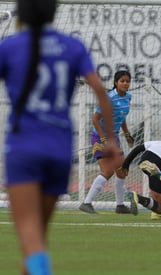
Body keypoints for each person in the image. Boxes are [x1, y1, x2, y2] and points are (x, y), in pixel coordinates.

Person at [0, 0, 118, 273]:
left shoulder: (10, 46)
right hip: (59, 148)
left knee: (30, 237)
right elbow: (101, 91)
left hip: (24, 146)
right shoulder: (72, 46)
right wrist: (111, 140)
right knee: (36, 239)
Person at [79, 70, 134, 214]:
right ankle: (87, 203)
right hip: (100, 137)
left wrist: (127, 134)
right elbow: (95, 119)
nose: (125, 83)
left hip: (114, 137)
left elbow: (121, 117)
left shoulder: (128, 97)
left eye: (127, 81)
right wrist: (103, 139)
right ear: (116, 82)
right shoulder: (108, 98)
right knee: (108, 171)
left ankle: (120, 205)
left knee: (122, 171)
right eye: (122, 81)